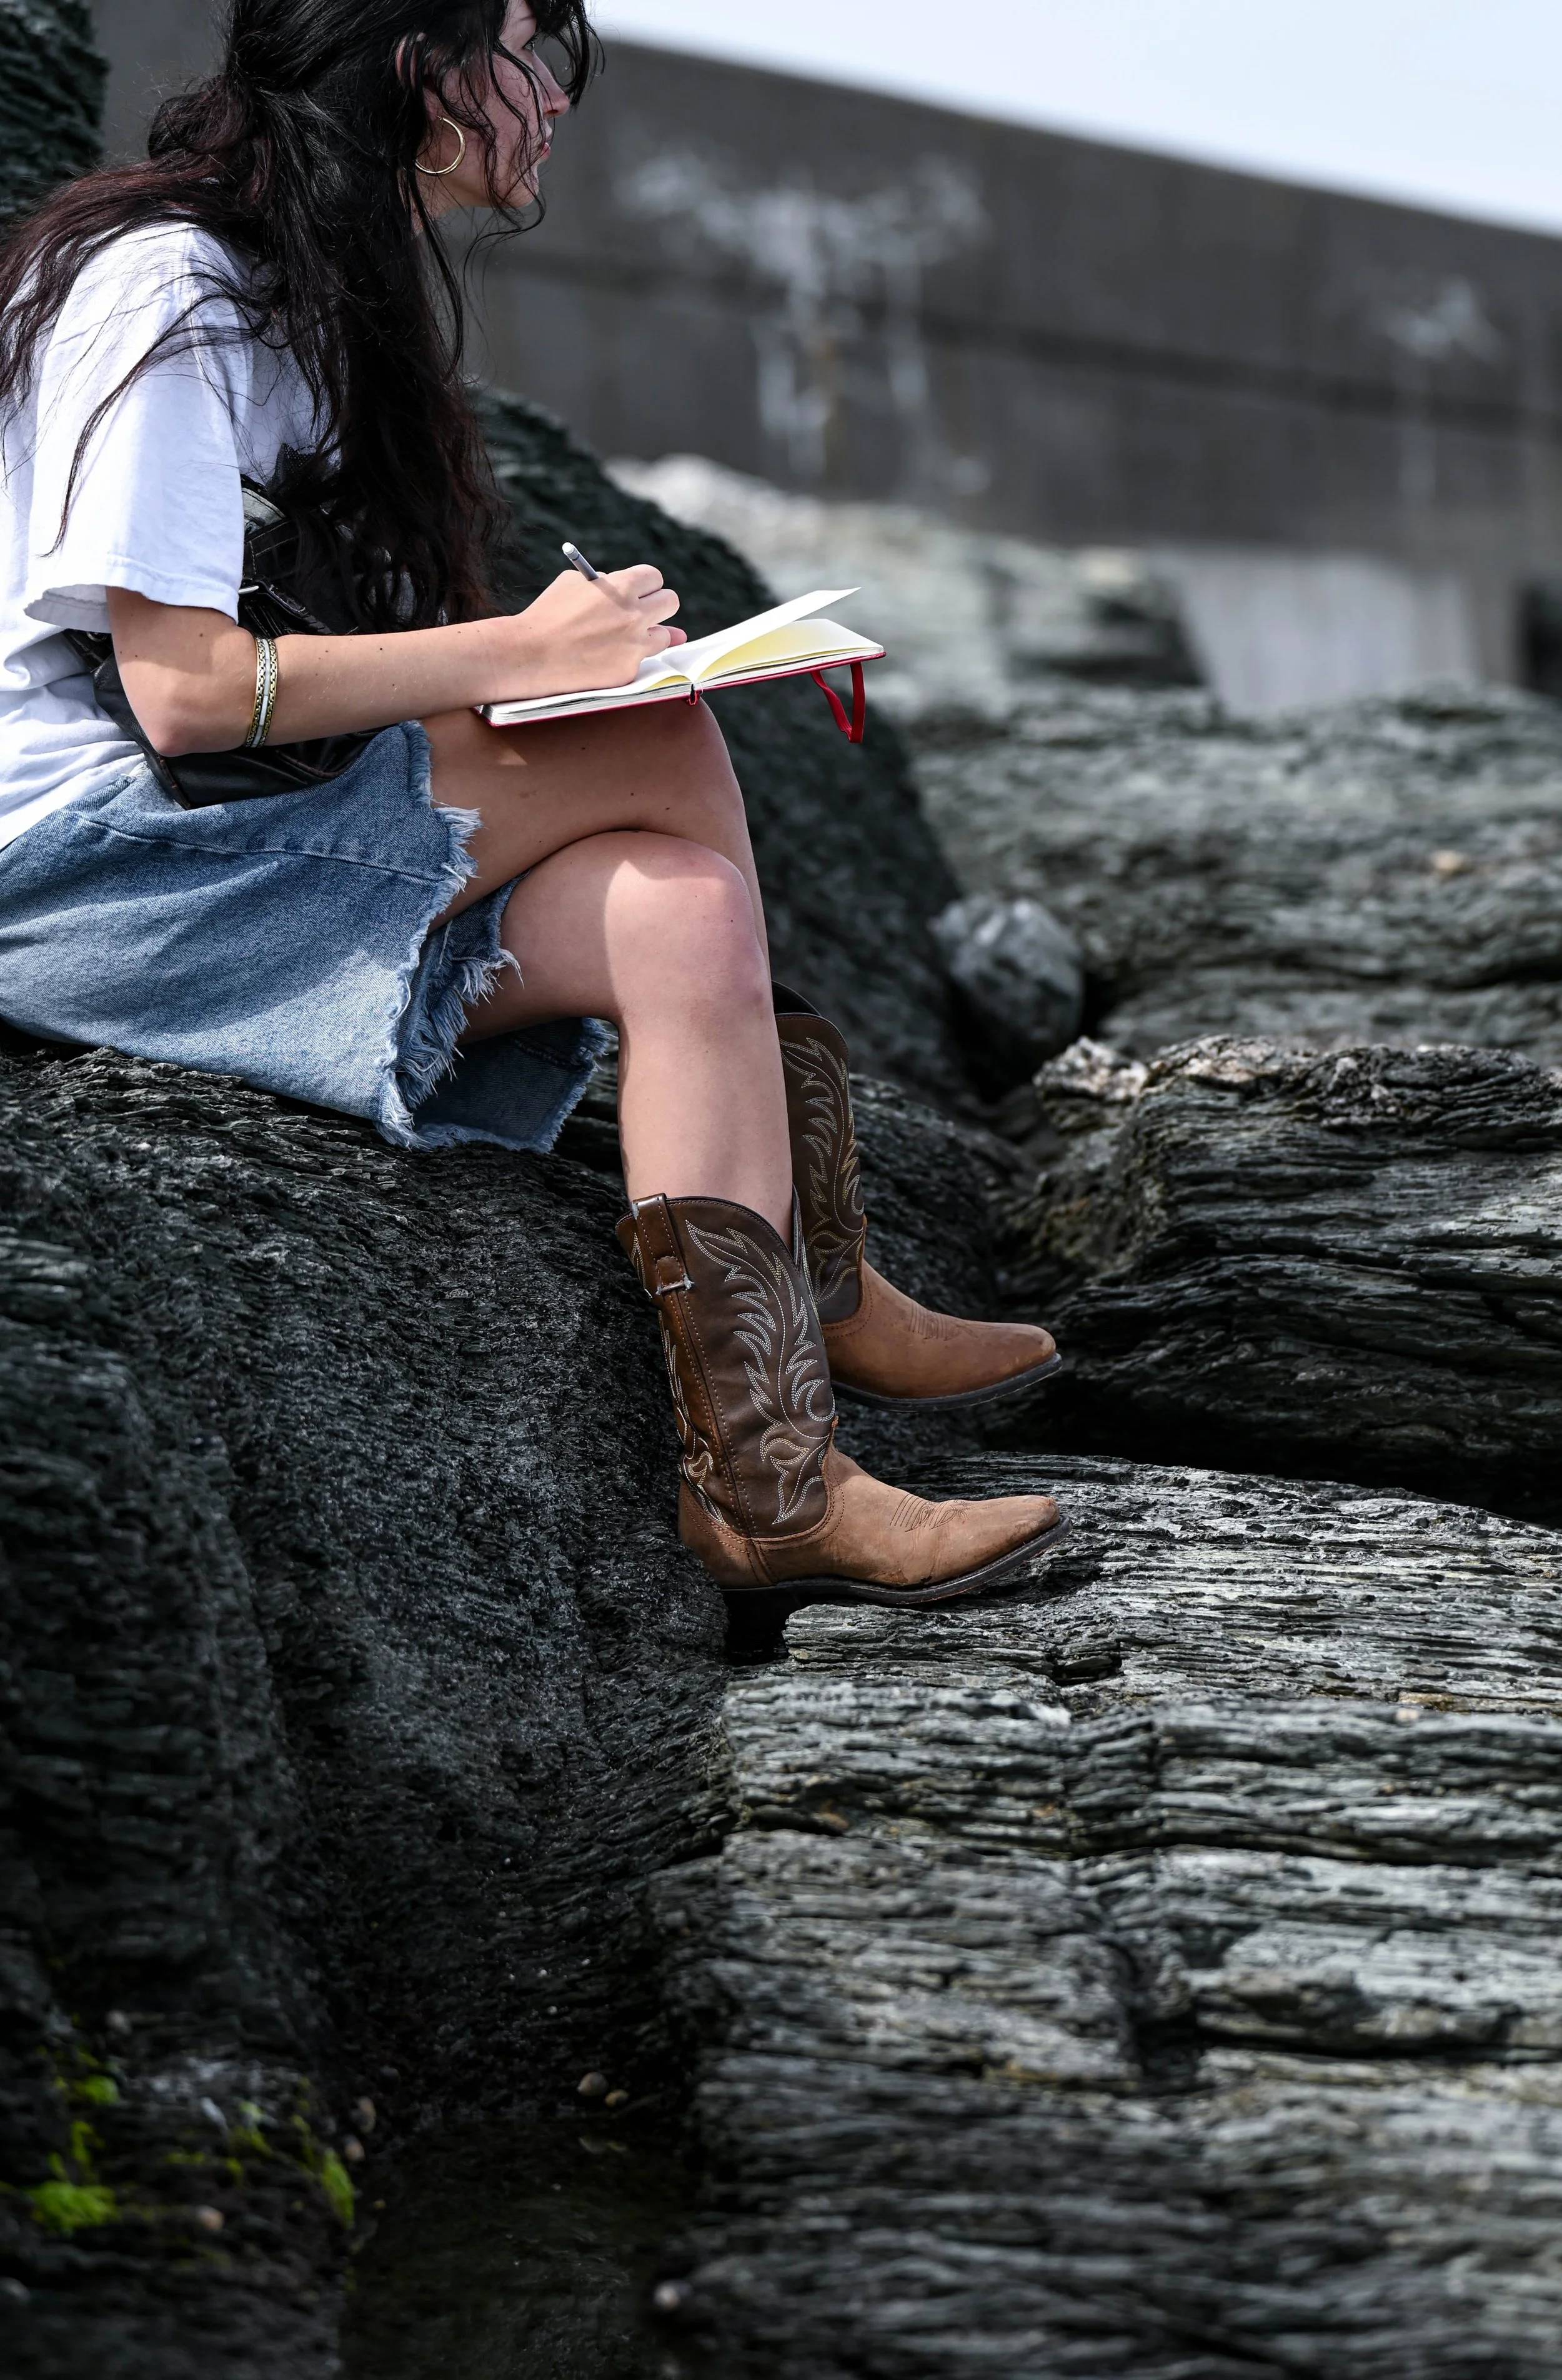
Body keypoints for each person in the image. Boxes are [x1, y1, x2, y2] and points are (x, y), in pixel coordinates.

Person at [0, 0, 1067, 1610]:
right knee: (659, 752)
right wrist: (523, 653)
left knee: (677, 907)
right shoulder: (170, 291)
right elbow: (183, 693)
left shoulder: (318, 302)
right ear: (410, 60)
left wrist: (547, 667)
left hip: (220, 839)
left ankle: (771, 1468)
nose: (555, 98)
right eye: (528, 52)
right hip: (78, 872)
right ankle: (818, 1313)